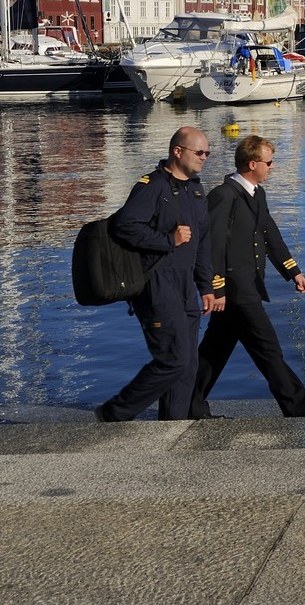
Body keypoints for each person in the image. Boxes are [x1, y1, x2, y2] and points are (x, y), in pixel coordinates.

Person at [190, 134, 305, 419]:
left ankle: (187, 405)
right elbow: (211, 245)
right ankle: (298, 407)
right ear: (253, 164)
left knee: (213, 352)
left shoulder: (256, 193)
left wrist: (293, 270)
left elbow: (270, 234)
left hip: (247, 287)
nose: (272, 167)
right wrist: (217, 289)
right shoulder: (223, 196)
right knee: (268, 349)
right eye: (269, 162)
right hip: (236, 291)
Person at [95, 126, 216, 422]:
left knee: (188, 365)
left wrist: (207, 286)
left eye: (207, 153)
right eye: (199, 152)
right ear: (178, 151)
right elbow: (124, 226)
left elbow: (202, 243)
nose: (204, 158)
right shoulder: (152, 186)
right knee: (173, 360)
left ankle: (173, 425)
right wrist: (167, 240)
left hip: (186, 287)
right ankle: (116, 411)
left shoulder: (196, 190)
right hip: (156, 284)